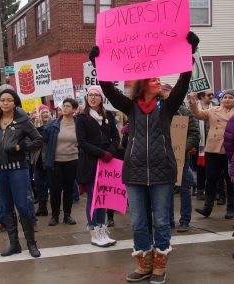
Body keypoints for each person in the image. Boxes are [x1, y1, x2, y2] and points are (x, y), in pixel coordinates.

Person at [89, 31, 199, 284]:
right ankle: (144, 264)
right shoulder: (130, 108)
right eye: (153, 79)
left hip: (162, 171)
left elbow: (183, 82)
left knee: (161, 221)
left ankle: (160, 265)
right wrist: (99, 63)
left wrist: (188, 53)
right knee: (138, 221)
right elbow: (107, 87)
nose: (158, 81)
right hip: (135, 172)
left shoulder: (167, 107)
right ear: (142, 84)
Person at [0, 88, 42, 258]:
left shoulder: (22, 119)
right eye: (2, 100)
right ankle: (14, 244)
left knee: (23, 205)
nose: (5, 103)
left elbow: (38, 140)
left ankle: (31, 243)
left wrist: (20, 147)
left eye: (9, 100)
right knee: (5, 206)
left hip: (18, 168)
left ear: (15, 102)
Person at [76, 86, 120, 246]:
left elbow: (115, 137)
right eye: (90, 95)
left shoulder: (108, 115)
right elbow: (82, 142)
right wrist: (101, 153)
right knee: (94, 197)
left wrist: (110, 151)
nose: (93, 97)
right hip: (90, 162)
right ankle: (94, 231)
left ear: (101, 98)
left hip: (106, 162)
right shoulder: (81, 117)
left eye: (96, 95)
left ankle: (102, 229)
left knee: (104, 197)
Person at [188, 89, 234, 219]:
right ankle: (207, 208)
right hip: (213, 148)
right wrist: (192, 102)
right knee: (211, 178)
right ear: (220, 100)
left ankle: (231, 208)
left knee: (230, 180)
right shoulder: (213, 110)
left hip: (230, 150)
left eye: (230, 97)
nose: (227, 99)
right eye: (225, 97)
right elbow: (198, 114)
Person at [162, 84, 200, 232]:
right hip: (163, 158)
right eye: (163, 94)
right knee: (166, 190)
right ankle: (169, 219)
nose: (165, 97)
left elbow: (195, 134)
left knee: (184, 189)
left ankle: (184, 220)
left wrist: (181, 148)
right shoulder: (158, 112)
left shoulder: (184, 112)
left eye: (167, 93)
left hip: (181, 158)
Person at [44, 98, 80, 226]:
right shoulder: (52, 124)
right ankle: (54, 216)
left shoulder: (79, 124)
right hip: (56, 162)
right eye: (63, 106)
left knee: (69, 189)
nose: (64, 108)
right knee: (55, 189)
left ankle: (67, 215)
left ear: (74, 110)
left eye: (68, 106)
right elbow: (45, 140)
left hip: (72, 160)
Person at [32, 104, 52, 216]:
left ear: (50, 114)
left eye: (46, 112)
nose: (45, 114)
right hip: (38, 160)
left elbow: (45, 137)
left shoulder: (53, 125)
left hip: (49, 159)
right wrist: (36, 126)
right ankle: (42, 207)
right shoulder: (34, 125)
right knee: (39, 184)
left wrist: (40, 127)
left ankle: (54, 208)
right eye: (42, 112)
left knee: (49, 184)